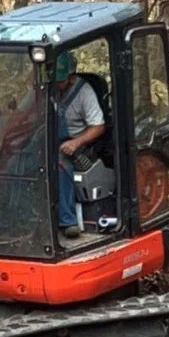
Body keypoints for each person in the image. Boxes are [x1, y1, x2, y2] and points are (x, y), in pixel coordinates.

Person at [55, 52, 105, 238]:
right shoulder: (47, 88)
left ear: (71, 76)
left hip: (76, 143)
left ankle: (68, 220)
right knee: (19, 159)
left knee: (60, 165)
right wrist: (4, 136)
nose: (57, 85)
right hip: (47, 140)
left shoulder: (84, 92)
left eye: (60, 80)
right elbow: (23, 112)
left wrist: (76, 143)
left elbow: (98, 126)